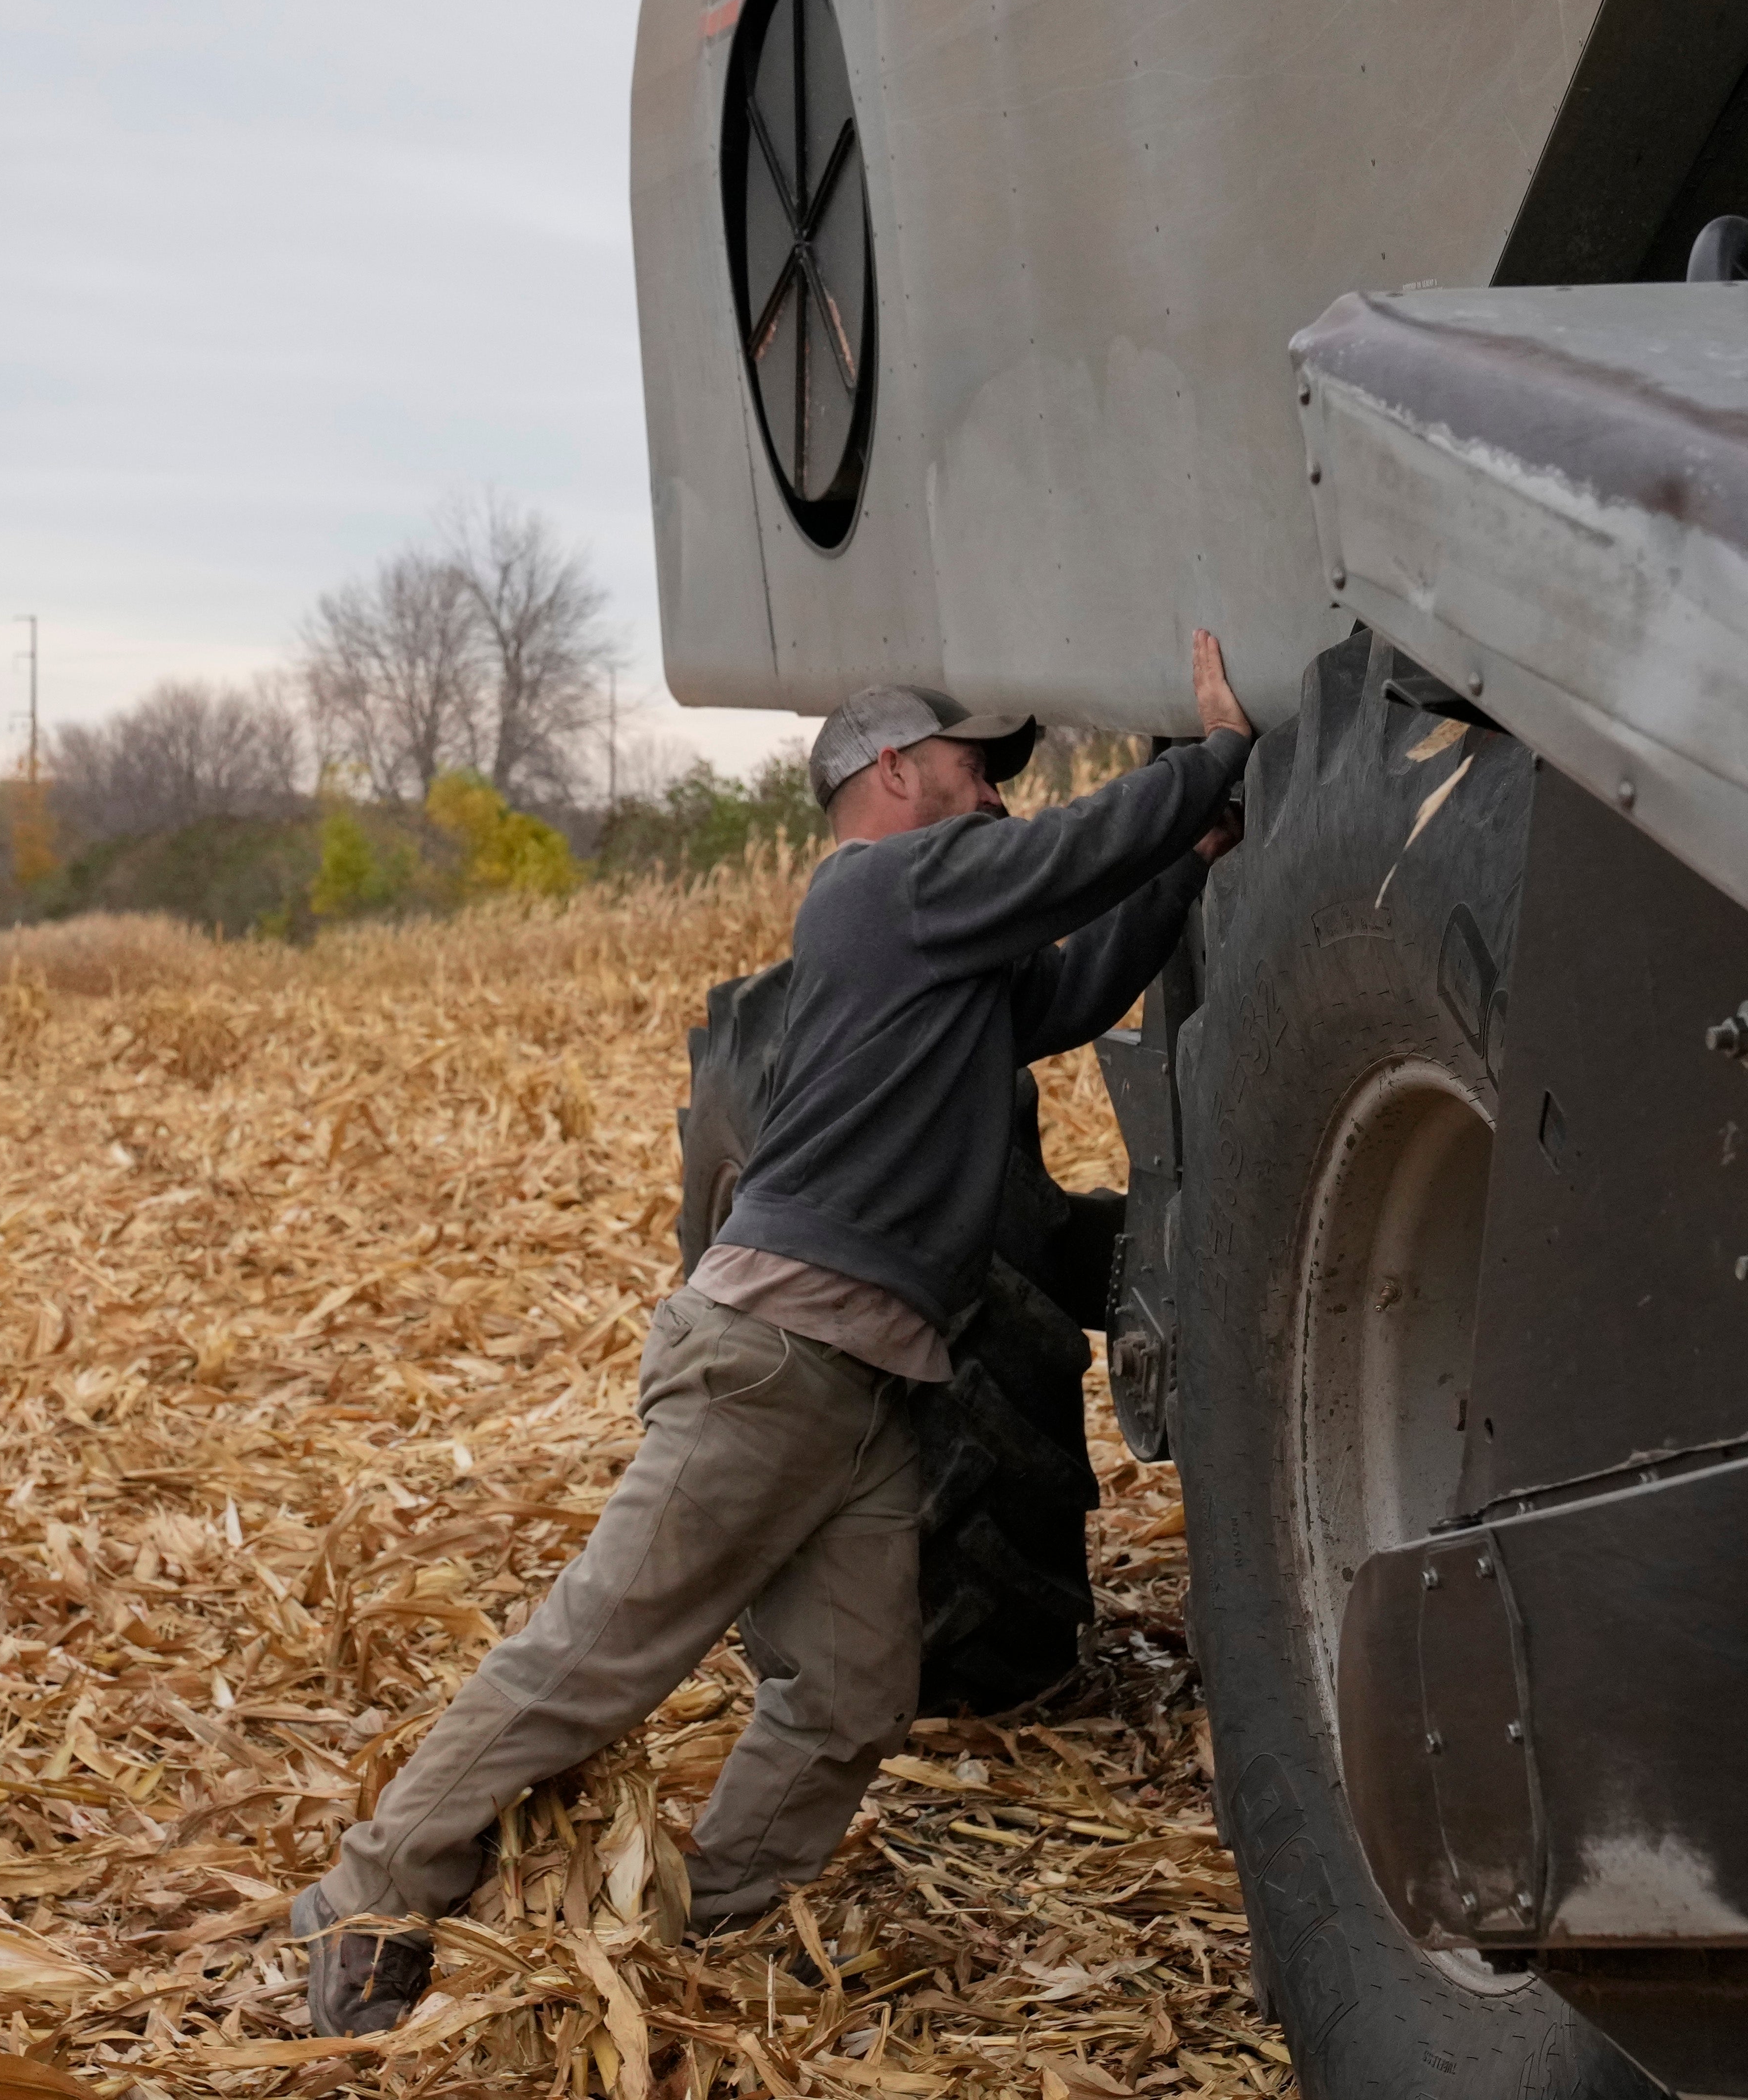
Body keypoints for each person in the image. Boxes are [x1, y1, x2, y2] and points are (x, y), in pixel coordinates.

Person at [294, 630, 1257, 2034]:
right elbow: (1057, 862)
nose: (992, 792)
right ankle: (368, 1899)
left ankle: (696, 1940)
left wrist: (1191, 853)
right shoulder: (876, 893)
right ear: (889, 772)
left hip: (867, 1391)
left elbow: (1077, 986)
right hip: (770, 1362)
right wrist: (1212, 755)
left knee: (852, 1698)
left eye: (1002, 777)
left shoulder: (946, 964)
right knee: (594, 1659)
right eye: (972, 769)